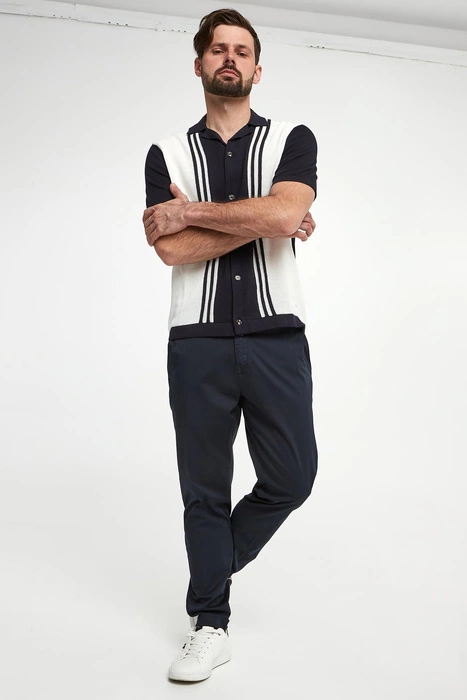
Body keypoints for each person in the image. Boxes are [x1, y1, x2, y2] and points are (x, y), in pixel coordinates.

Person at [143, 8, 318, 683]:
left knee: (292, 478)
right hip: (198, 341)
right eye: (218, 49)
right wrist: (267, 218)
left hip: (277, 336)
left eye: (241, 51)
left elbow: (279, 211)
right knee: (204, 490)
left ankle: (210, 568)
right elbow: (171, 252)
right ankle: (209, 624)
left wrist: (190, 211)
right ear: (199, 64)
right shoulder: (166, 153)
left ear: (256, 69)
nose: (229, 59)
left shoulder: (290, 140)